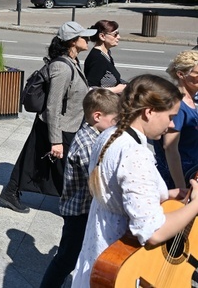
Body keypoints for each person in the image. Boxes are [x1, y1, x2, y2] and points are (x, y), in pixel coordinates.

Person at [70, 75, 191, 287]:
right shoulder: (135, 154)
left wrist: (166, 194)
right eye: (170, 116)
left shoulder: (110, 134)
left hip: (100, 252)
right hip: (122, 265)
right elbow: (152, 232)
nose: (171, 124)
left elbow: (115, 190)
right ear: (149, 112)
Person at [0, 22, 94, 213]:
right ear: (73, 42)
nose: (88, 40)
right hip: (58, 126)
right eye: (84, 37)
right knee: (64, 168)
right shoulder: (63, 68)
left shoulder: (72, 61)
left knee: (33, 159)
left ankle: (11, 192)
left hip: (64, 124)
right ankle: (74, 205)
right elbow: (53, 105)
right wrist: (56, 140)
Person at [39, 88, 120, 287]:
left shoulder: (95, 135)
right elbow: (94, 179)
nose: (117, 124)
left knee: (72, 255)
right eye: (114, 120)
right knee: (66, 259)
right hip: (78, 212)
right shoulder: (88, 143)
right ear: (97, 116)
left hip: (83, 209)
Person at [153, 50, 198, 188]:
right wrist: (180, 188)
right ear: (181, 74)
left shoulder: (192, 101)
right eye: (197, 73)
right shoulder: (178, 105)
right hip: (182, 175)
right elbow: (170, 148)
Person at [84, 20, 127, 93]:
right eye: (115, 34)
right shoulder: (98, 58)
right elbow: (90, 89)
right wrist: (116, 90)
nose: (119, 37)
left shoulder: (106, 53)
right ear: (102, 36)